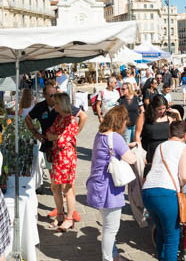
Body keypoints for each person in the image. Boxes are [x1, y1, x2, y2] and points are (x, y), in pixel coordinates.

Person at [87, 106, 139, 261]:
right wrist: (136, 151)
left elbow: (111, 151)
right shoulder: (116, 138)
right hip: (110, 189)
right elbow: (131, 159)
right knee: (111, 229)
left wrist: (125, 147)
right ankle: (108, 258)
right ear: (120, 122)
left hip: (97, 185)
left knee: (107, 225)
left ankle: (113, 256)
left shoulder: (100, 135)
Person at [143, 121, 186, 261]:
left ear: (170, 133)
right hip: (166, 193)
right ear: (185, 134)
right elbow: (183, 176)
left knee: (161, 232)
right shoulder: (184, 147)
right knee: (172, 236)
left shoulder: (160, 146)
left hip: (148, 191)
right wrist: (181, 186)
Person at [45, 93, 84, 232]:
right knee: (55, 187)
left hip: (66, 158)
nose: (53, 105)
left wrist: (56, 138)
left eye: (55, 103)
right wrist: (57, 137)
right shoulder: (59, 118)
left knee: (67, 189)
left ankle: (69, 218)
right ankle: (60, 215)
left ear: (61, 104)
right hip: (58, 156)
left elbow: (61, 140)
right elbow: (48, 133)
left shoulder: (71, 121)